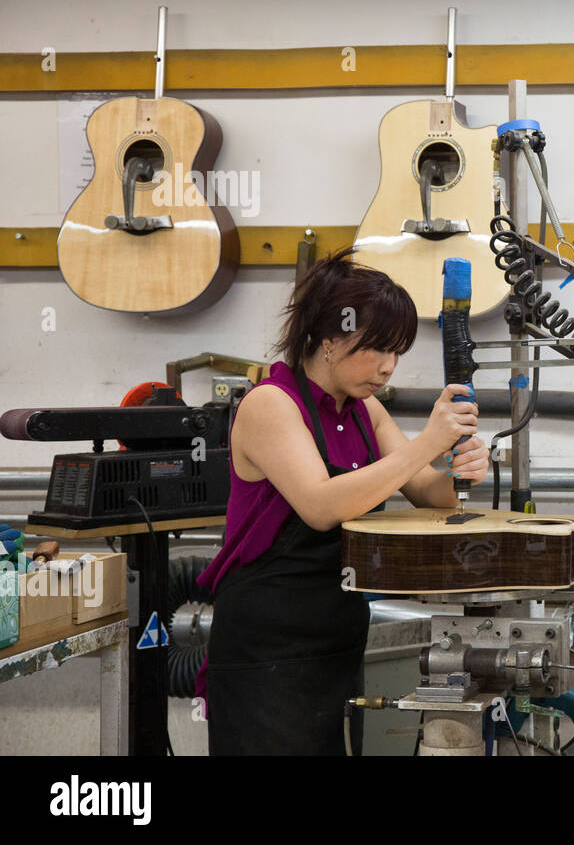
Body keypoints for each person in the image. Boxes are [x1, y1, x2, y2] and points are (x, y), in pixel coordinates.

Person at [196, 248, 488, 754]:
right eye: (378, 349)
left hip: (335, 643)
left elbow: (424, 490)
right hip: (267, 651)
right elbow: (321, 504)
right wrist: (427, 440)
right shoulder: (271, 404)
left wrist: (463, 467)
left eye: (398, 353)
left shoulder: (363, 410)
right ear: (330, 340)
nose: (389, 367)